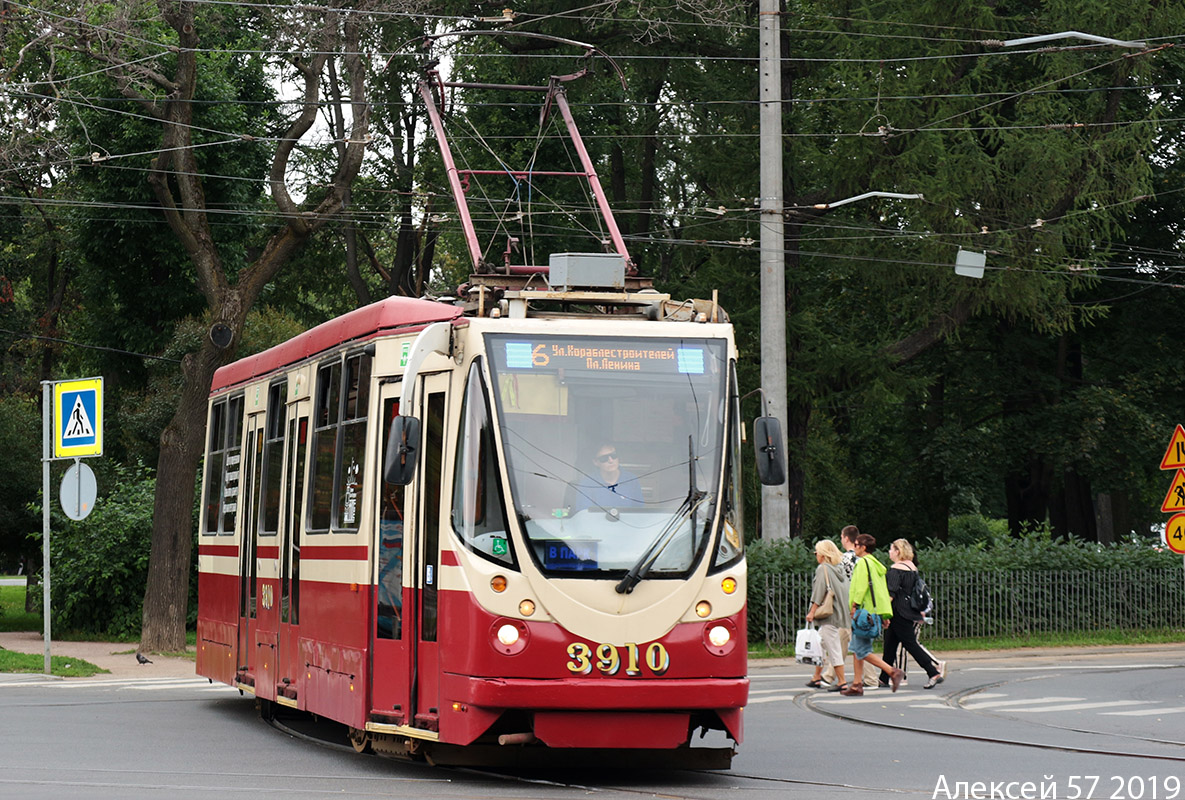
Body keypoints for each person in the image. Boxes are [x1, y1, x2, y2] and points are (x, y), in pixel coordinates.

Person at [840, 533, 904, 696]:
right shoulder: (876, 565)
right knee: (857, 648)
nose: (854, 548)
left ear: (863, 547)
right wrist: (884, 615)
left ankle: (892, 671)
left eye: (856, 545)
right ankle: (856, 684)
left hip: (864, 613)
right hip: (873, 613)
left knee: (861, 650)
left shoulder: (862, 564)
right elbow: (881, 592)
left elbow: (861, 588)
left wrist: (854, 605)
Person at [878, 539, 944, 690]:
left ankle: (933, 672)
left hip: (898, 612)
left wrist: (882, 613)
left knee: (910, 644)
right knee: (890, 644)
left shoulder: (896, 569)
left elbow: (891, 594)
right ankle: (883, 678)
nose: (889, 552)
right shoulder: (912, 568)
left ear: (898, 552)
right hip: (909, 610)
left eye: (891, 549)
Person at [822, 525, 877, 687]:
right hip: (864, 606)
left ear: (846, 538)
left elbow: (840, 583)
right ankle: (833, 674)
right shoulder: (865, 559)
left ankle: (831, 675)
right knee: (854, 640)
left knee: (846, 640)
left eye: (841, 536)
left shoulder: (845, 559)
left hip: (850, 605)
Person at [805, 540, 850, 692]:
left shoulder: (822, 569)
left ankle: (842, 682)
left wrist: (812, 611)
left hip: (828, 616)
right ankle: (816, 677)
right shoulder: (840, 569)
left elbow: (818, 592)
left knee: (833, 648)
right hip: (840, 613)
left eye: (817, 552)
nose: (815, 555)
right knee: (820, 645)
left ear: (823, 554)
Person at [567, 443, 643, 512]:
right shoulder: (587, 483)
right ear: (596, 462)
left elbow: (639, 513)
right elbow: (583, 514)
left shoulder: (632, 480)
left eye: (613, 456)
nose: (611, 460)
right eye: (604, 458)